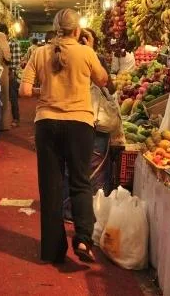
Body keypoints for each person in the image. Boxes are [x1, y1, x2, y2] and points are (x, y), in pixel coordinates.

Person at [20, 9, 109, 264]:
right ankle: (82, 238)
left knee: (50, 187)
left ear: (56, 28)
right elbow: (102, 80)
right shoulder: (85, 52)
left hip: (47, 124)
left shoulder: (39, 53)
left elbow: (25, 90)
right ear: (77, 30)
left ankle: (52, 250)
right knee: (81, 183)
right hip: (79, 124)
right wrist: (90, 48)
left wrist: (47, 92)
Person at [62, 27, 116, 221]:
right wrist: (91, 51)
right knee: (93, 166)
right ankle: (92, 209)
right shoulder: (93, 58)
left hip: (69, 117)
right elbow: (107, 84)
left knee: (72, 165)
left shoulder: (64, 58)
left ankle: (69, 209)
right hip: (91, 120)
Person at [0, 24, 12, 131]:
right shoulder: (3, 39)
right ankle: (3, 124)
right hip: (2, 74)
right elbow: (8, 58)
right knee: (4, 98)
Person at [9, 36, 22, 127]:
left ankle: (16, 118)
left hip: (11, 75)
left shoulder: (13, 43)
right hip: (6, 74)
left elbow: (16, 62)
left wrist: (12, 71)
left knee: (13, 97)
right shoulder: (10, 43)